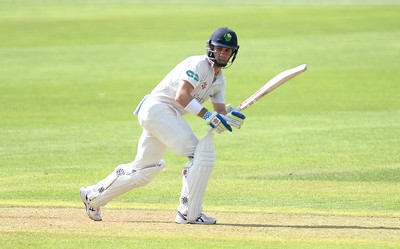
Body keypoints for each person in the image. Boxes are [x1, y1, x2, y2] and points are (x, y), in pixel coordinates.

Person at [80, 27, 246, 225]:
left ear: (232, 54)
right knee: (199, 154)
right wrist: (208, 116)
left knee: (143, 171)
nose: (222, 53)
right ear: (210, 47)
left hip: (162, 115)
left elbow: (219, 112)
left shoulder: (219, 80)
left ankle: (93, 196)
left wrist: (230, 117)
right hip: (159, 109)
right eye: (219, 48)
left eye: (227, 51)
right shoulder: (199, 64)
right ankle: (189, 212)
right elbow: (182, 96)